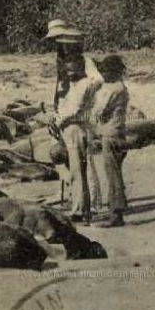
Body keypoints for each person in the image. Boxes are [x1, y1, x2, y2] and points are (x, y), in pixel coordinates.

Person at [55, 58, 102, 223]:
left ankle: (82, 209)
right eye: (68, 70)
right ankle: (81, 206)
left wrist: (59, 121)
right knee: (79, 170)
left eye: (72, 70)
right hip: (75, 128)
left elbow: (74, 110)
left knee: (78, 171)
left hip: (75, 127)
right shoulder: (77, 85)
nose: (69, 74)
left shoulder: (84, 85)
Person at [90, 55, 129, 227]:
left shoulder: (113, 90)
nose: (102, 74)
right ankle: (117, 209)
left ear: (112, 72)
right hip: (118, 132)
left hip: (110, 134)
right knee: (115, 172)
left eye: (105, 71)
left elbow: (99, 111)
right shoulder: (120, 87)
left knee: (113, 175)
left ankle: (116, 213)